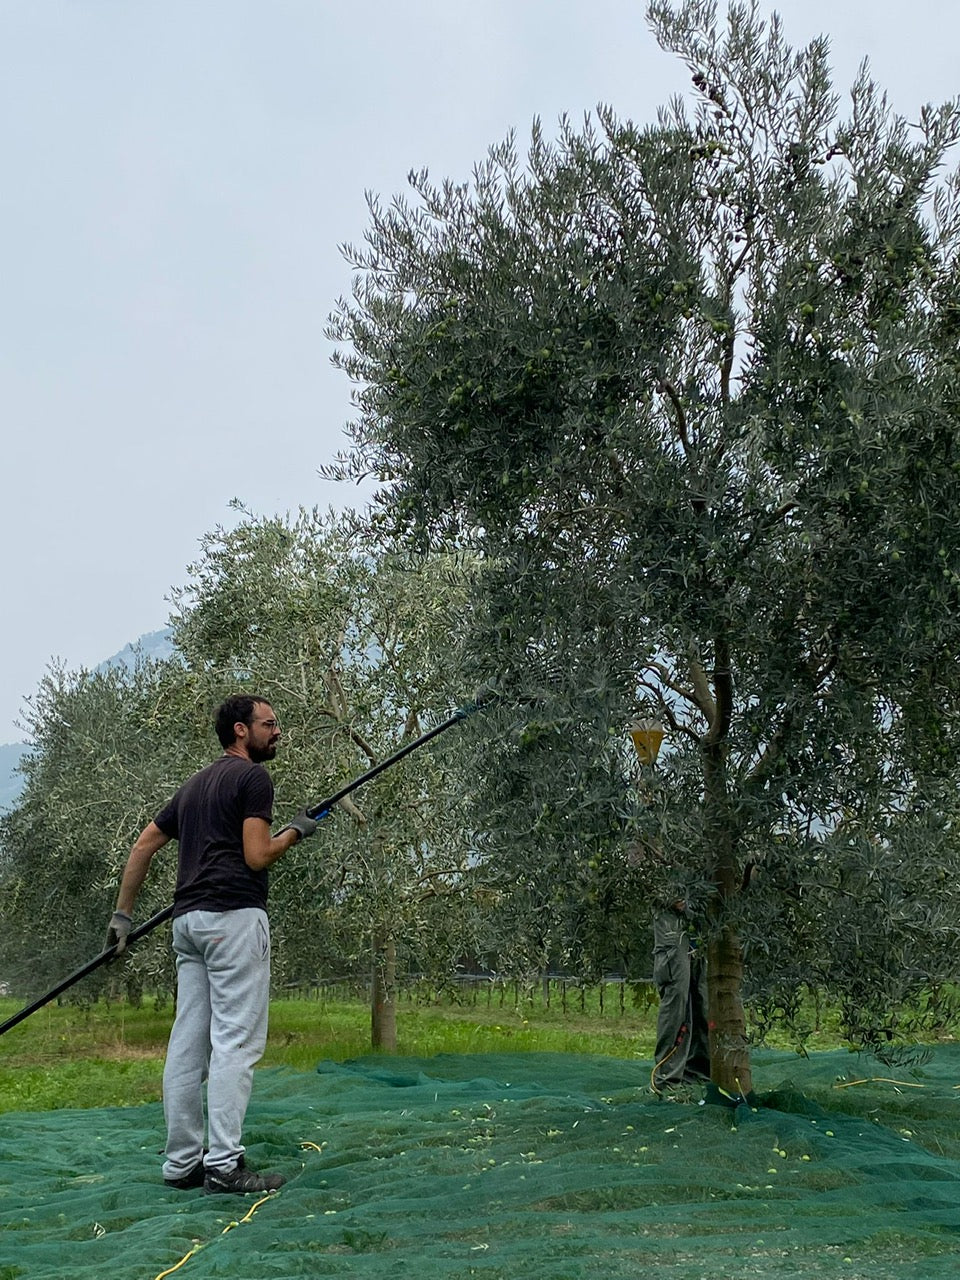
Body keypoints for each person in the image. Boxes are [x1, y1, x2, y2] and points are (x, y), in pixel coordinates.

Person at [105, 694, 317, 1195]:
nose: (277, 731)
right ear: (241, 731)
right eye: (269, 724)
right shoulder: (253, 779)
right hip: (234, 918)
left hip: (188, 925)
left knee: (187, 1044)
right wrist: (295, 832)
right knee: (235, 1043)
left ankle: (182, 1164)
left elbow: (143, 845)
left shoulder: (194, 786)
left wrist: (122, 917)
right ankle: (224, 1164)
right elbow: (257, 855)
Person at [650, 896, 711, 1096]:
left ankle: (697, 1072)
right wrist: (669, 894)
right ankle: (667, 1079)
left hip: (699, 917)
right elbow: (640, 870)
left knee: (703, 998)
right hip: (671, 920)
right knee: (677, 999)